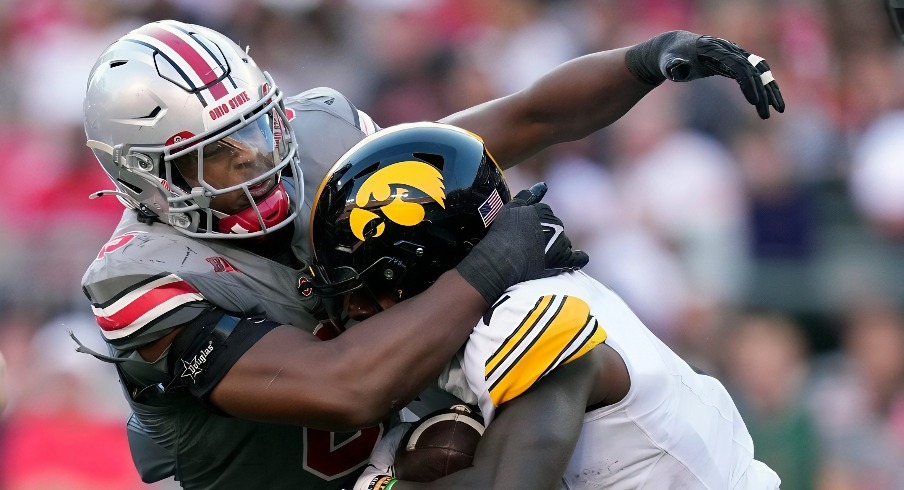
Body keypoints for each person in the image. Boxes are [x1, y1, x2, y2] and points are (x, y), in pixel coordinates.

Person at [77, 19, 783, 489]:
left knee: (455, 438)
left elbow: (520, 118)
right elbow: (341, 388)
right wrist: (489, 266)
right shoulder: (142, 279)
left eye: (259, 130)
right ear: (143, 177)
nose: (258, 164)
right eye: (218, 160)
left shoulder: (319, 134)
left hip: (392, 463)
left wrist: (644, 60)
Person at [301, 122, 783, 489]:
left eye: (365, 289)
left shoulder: (512, 319)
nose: (357, 312)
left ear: (424, 266)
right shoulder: (524, 302)